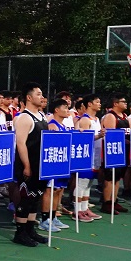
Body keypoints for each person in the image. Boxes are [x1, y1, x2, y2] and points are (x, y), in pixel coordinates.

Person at [12, 83, 51, 247]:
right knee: (26, 198)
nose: (42, 97)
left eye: (42, 94)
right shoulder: (24, 118)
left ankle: (30, 229)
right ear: (29, 97)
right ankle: (20, 233)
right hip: (28, 165)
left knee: (36, 197)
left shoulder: (41, 115)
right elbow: (20, 143)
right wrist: (27, 165)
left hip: (40, 165)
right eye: (38, 94)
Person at [38, 97, 72, 234]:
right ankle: (44, 219)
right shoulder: (52, 125)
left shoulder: (63, 126)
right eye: (65, 107)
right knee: (50, 190)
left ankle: (53, 217)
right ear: (57, 110)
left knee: (58, 190)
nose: (67, 110)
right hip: (53, 163)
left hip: (62, 162)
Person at [74, 94, 104, 223]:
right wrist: (99, 136)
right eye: (97, 101)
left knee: (88, 184)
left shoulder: (96, 119)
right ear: (89, 104)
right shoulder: (85, 120)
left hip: (95, 156)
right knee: (82, 183)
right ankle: (77, 211)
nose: (99, 104)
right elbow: (84, 140)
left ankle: (85, 208)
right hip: (86, 157)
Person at [100, 95, 130, 215]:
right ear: (115, 103)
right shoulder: (111, 116)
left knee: (117, 178)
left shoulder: (125, 117)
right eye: (123, 101)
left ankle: (114, 200)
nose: (126, 103)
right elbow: (111, 136)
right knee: (110, 178)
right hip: (113, 152)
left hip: (123, 150)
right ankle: (106, 202)